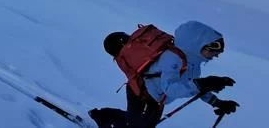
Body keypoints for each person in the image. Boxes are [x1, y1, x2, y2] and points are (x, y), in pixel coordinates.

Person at [89, 21, 238, 128]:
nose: (216, 55)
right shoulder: (172, 58)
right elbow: (171, 89)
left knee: (143, 124)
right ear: (196, 45)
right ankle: (102, 116)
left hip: (157, 99)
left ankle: (111, 117)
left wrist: (217, 102)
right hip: (141, 94)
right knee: (137, 126)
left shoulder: (193, 63)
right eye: (213, 50)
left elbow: (192, 86)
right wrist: (203, 83)